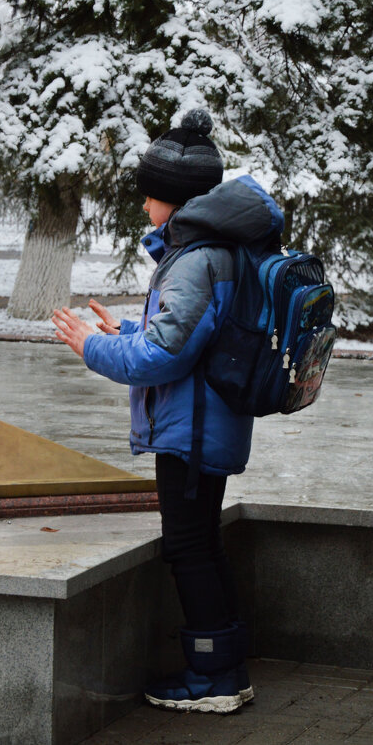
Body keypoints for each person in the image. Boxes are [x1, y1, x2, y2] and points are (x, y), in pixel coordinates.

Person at [52, 108, 285, 714]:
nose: (145, 207)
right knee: (202, 544)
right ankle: (226, 667)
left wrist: (92, 345)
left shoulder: (197, 258)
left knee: (189, 549)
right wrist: (129, 326)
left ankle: (216, 680)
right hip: (207, 422)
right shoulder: (217, 249)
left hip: (192, 431)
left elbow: (164, 355)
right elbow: (191, 336)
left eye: (150, 196)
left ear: (174, 199)